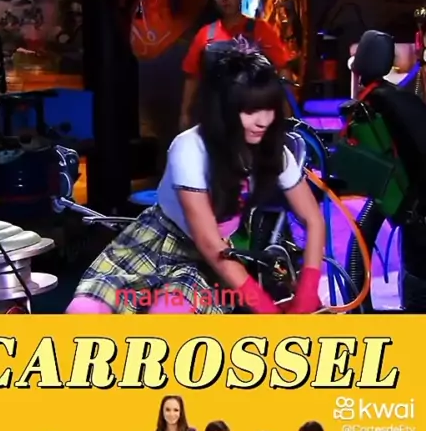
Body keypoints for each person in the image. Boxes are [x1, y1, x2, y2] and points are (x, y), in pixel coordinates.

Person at [66, 47, 325, 315]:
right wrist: (266, 309)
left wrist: (308, 287)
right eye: (250, 111)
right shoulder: (190, 147)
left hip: (208, 259)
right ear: (224, 109)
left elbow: (313, 219)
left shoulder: (274, 151)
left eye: (270, 109)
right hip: (157, 237)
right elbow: (207, 241)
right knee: (83, 312)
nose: (264, 121)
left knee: (167, 316)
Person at [179, 0, 293, 132]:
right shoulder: (205, 35)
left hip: (254, 118)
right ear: (214, 0)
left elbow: (283, 70)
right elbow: (192, 78)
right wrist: (185, 114)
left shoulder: (261, 30)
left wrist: (287, 113)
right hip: (217, 119)